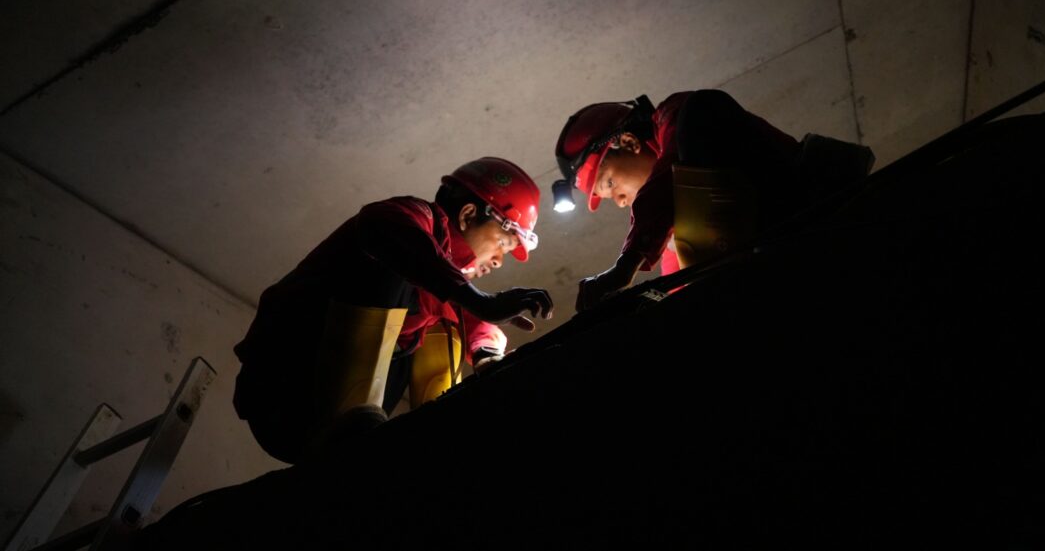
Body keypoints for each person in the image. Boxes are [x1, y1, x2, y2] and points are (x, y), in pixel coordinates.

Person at [232, 156, 553, 464]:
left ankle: (435, 438)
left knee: (448, 321)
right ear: (468, 214)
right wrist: (478, 299)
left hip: (323, 422)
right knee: (393, 264)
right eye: (504, 243)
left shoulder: (445, 286)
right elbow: (381, 226)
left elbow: (477, 321)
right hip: (284, 386)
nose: (499, 260)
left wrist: (486, 354)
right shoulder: (412, 220)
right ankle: (350, 426)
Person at [552, 89, 874, 310]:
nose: (620, 201)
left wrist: (626, 264)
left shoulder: (676, 116)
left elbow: (670, 173)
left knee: (702, 110)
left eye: (610, 184)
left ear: (629, 142)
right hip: (784, 279)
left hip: (806, 204)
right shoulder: (680, 245)